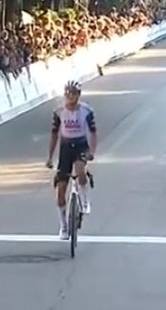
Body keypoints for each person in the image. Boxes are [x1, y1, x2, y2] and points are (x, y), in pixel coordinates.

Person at [45, 80, 97, 240]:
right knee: (60, 190)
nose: (70, 97)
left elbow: (93, 133)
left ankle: (84, 200)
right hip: (65, 149)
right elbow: (54, 135)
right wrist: (50, 157)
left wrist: (92, 152)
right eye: (67, 93)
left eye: (73, 94)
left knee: (80, 170)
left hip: (81, 146)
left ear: (78, 95)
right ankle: (63, 226)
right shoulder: (59, 111)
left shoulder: (87, 110)